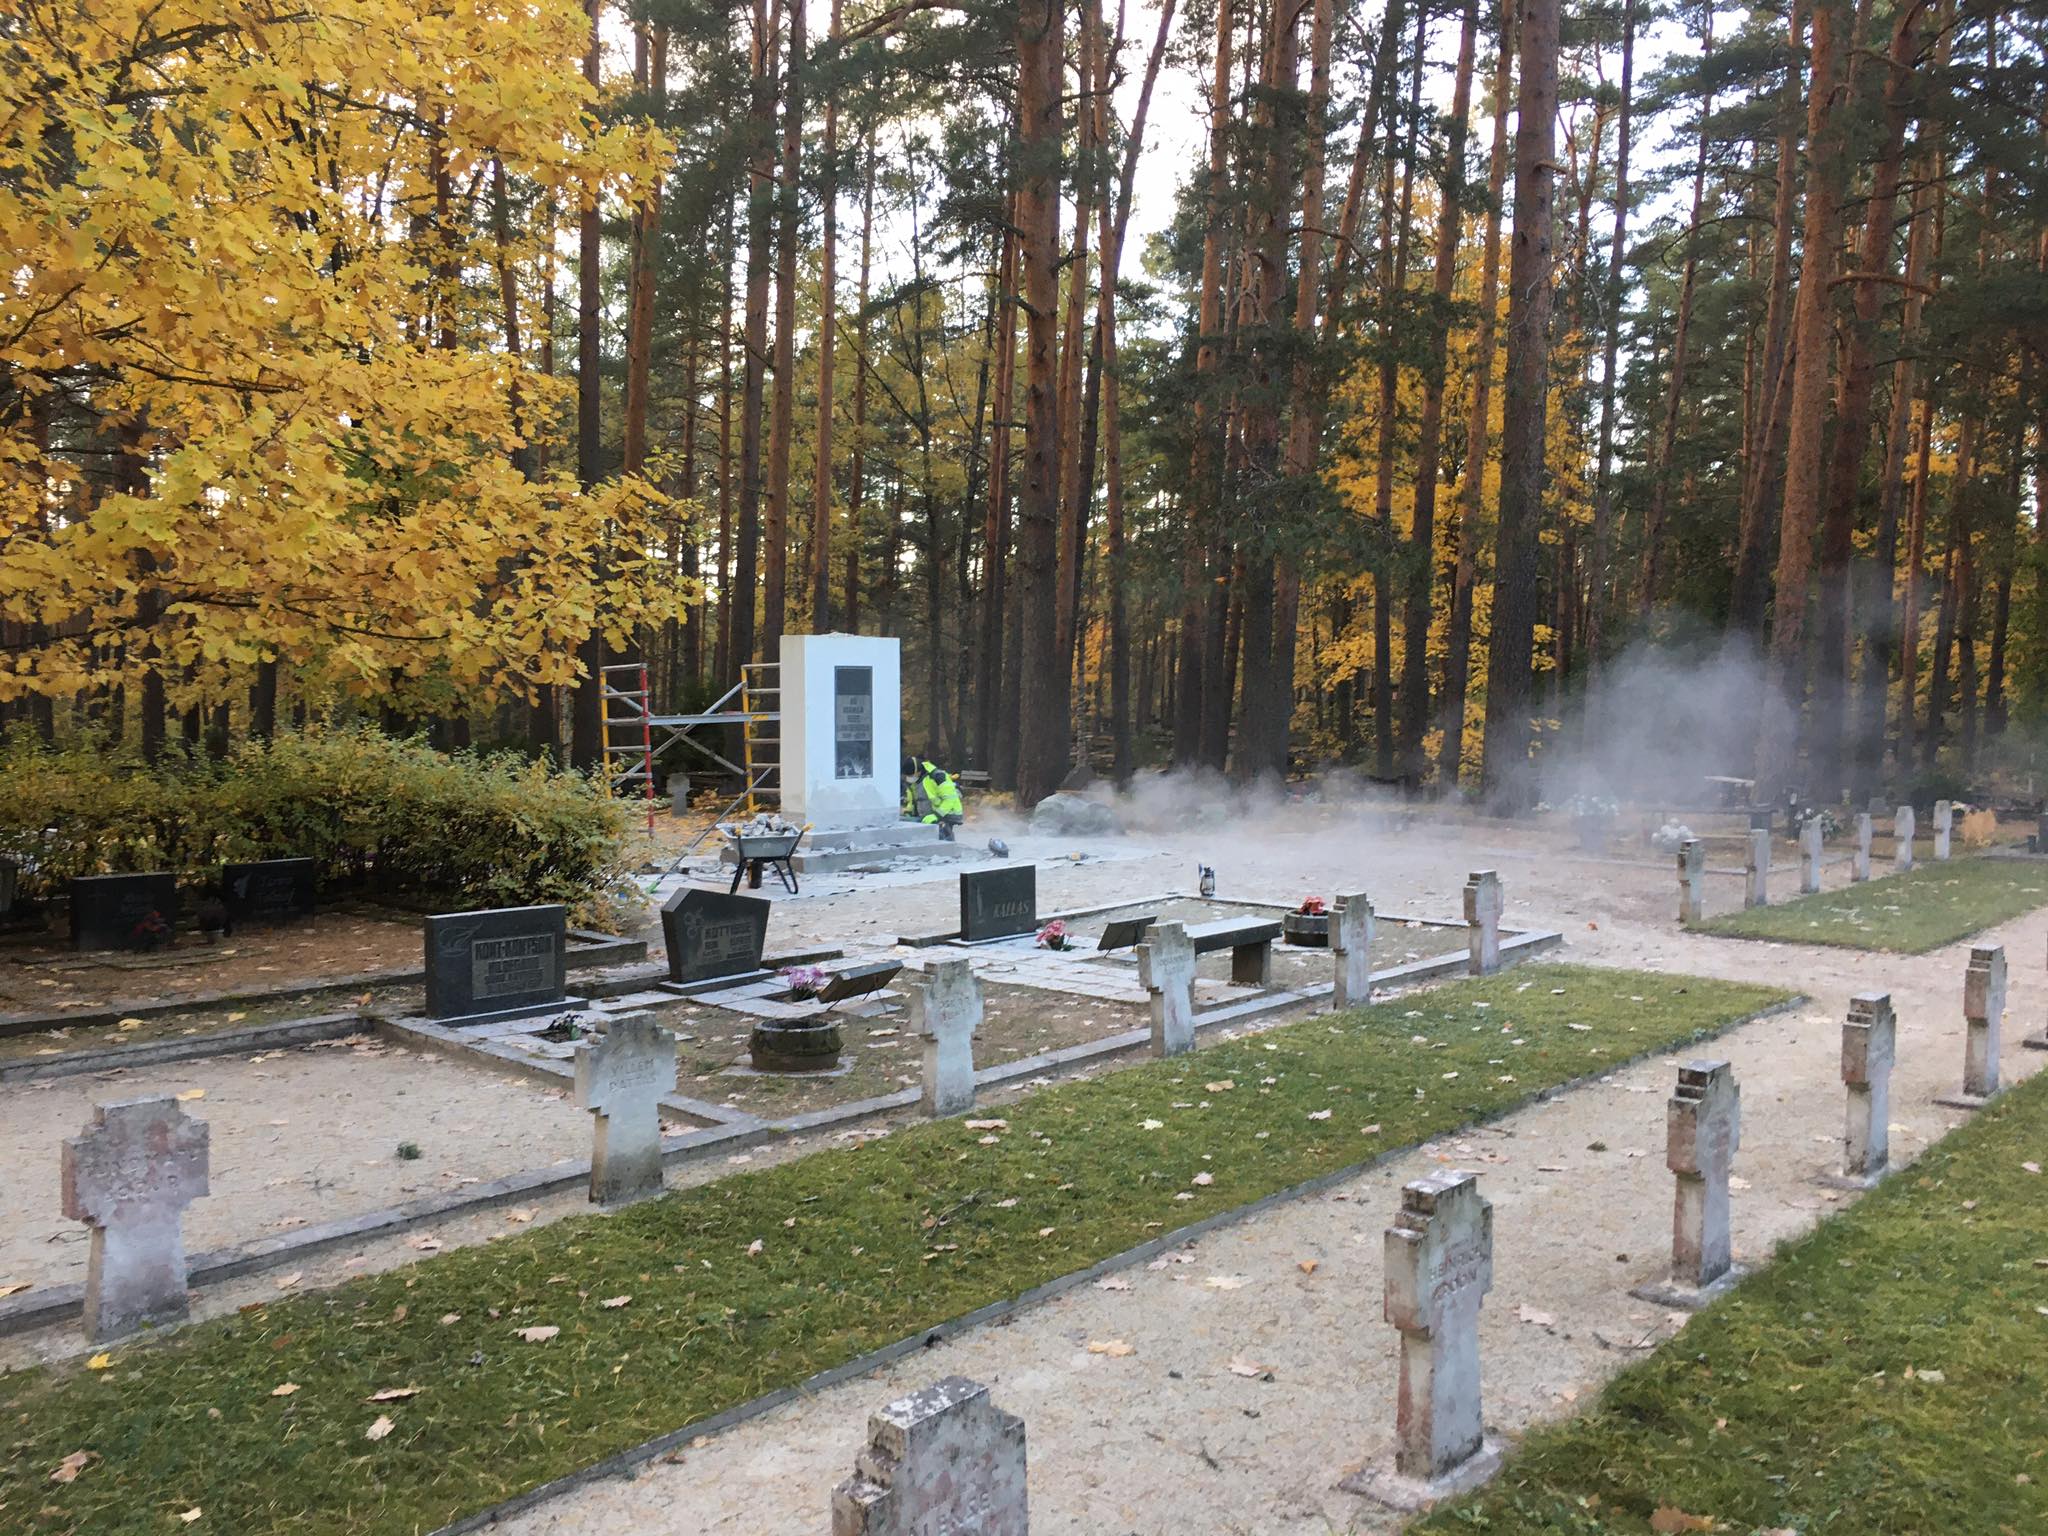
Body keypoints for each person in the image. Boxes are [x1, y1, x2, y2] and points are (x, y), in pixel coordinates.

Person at [901, 752, 966, 840]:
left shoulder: (938, 777)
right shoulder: (915, 782)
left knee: (942, 838)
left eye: (911, 775)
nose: (909, 778)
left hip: (947, 814)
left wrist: (936, 815)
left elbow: (950, 800)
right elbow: (915, 800)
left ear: (918, 771)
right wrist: (909, 811)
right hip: (929, 816)